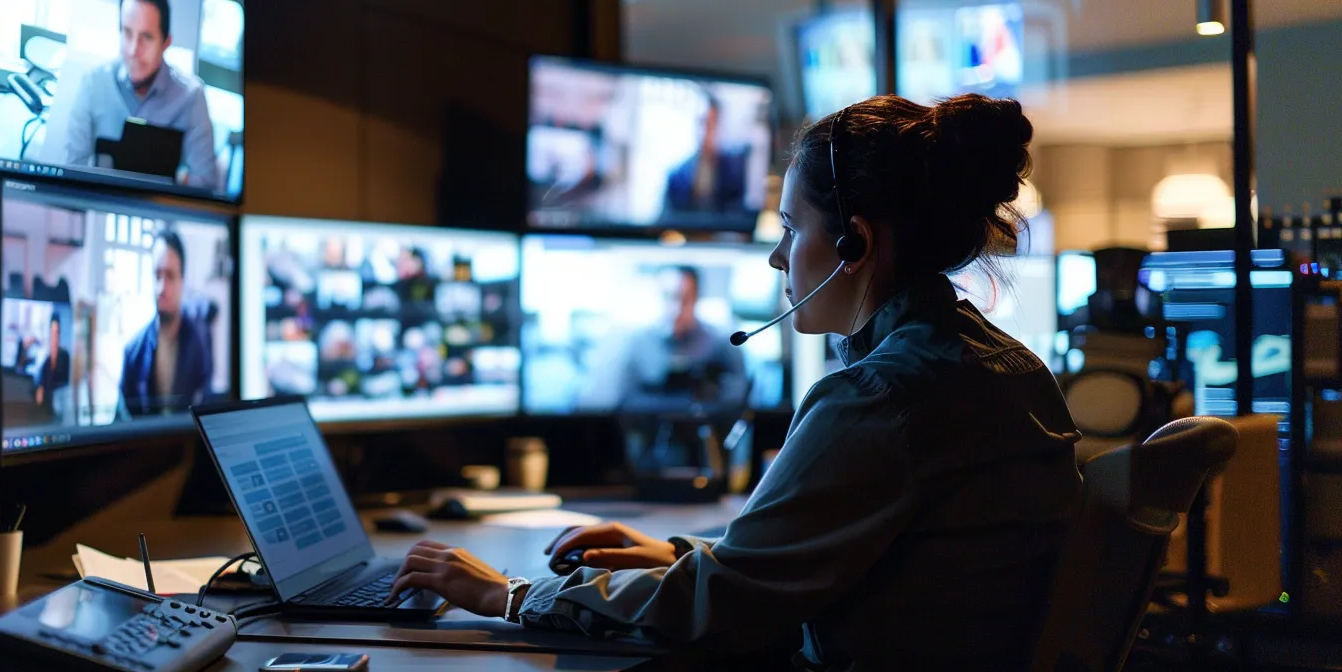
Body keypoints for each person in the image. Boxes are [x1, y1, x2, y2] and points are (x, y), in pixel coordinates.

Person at [386, 94, 1081, 669]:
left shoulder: (882, 397)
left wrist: (510, 595)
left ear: (854, 245)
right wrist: (687, 553)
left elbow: (721, 610)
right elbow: (853, 552)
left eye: (789, 229)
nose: (779, 257)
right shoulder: (1004, 366)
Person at [55, 0, 220, 191]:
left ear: (166, 42)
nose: (133, 50)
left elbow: (205, 183)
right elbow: (72, 168)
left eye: (146, 37)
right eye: (127, 33)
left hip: (161, 212)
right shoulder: (93, 83)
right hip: (98, 208)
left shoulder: (191, 96)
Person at [576, 266, 745, 412]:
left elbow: (737, 398)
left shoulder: (721, 342)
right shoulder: (636, 342)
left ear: (697, 298)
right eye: (669, 297)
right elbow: (611, 396)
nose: (676, 309)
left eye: (685, 299)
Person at [118, 229, 215, 417]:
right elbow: (121, 422)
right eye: (157, 275)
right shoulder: (132, 353)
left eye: (170, 276)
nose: (162, 288)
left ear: (182, 281)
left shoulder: (201, 343)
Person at [662, 91, 751, 216]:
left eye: (710, 125)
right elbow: (665, 221)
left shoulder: (736, 173)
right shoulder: (676, 176)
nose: (704, 132)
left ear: (719, 126)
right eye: (700, 123)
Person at [34, 313, 72, 409]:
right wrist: (40, 388)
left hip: (60, 404)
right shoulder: (46, 358)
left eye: (57, 332)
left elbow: (65, 382)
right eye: (52, 332)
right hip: (46, 407)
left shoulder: (65, 356)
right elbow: (40, 379)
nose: (54, 336)